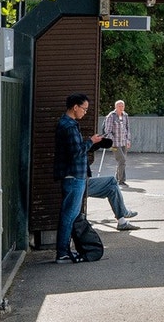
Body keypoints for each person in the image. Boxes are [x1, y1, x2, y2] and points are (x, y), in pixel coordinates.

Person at [53, 94, 136, 263]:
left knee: (71, 214)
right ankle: (62, 252)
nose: (85, 112)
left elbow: (75, 148)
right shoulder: (68, 126)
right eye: (84, 109)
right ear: (75, 107)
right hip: (74, 176)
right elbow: (76, 152)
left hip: (76, 175)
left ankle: (65, 251)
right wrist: (90, 141)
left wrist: (93, 142)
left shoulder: (68, 124)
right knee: (69, 215)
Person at [102, 99, 132, 185]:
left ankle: (116, 178)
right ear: (115, 107)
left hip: (123, 142)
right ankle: (121, 180)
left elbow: (128, 129)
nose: (121, 107)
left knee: (122, 161)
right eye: (119, 106)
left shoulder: (125, 115)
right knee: (122, 160)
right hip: (114, 144)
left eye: (122, 106)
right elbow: (107, 131)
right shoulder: (111, 116)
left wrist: (128, 140)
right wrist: (111, 141)